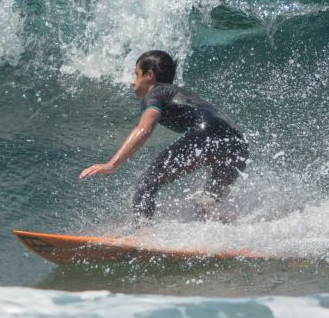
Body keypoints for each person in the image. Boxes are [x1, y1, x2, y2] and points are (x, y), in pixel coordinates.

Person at [79, 50, 249, 223]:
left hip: (207, 134)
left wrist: (112, 164)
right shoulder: (180, 94)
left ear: (149, 75)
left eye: (136, 74)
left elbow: (144, 129)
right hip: (237, 142)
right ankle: (221, 236)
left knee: (146, 185)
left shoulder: (155, 92)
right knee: (208, 202)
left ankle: (143, 235)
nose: (133, 82)